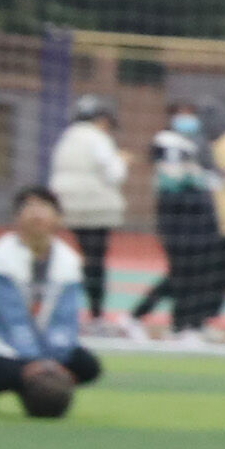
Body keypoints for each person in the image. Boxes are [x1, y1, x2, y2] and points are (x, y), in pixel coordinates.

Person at [0, 187, 99, 414]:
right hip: (4, 340)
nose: (37, 213)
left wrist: (53, 361)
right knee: (4, 370)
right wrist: (37, 364)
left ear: (58, 218)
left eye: (44, 207)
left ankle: (44, 392)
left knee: (88, 366)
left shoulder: (68, 260)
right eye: (29, 207)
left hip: (49, 345)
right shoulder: (1, 257)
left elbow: (65, 318)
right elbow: (9, 318)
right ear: (16, 217)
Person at [140, 104, 224, 342]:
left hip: (196, 222)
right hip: (181, 223)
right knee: (183, 275)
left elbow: (210, 177)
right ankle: (180, 324)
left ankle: (188, 324)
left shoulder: (198, 145)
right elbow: (182, 178)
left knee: (192, 274)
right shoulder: (168, 145)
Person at [48, 98, 126, 329]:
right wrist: (122, 161)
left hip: (68, 205)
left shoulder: (66, 138)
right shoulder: (98, 139)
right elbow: (114, 174)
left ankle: (66, 310)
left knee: (77, 258)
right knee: (95, 263)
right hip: (95, 207)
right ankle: (96, 315)